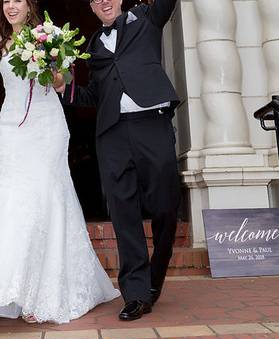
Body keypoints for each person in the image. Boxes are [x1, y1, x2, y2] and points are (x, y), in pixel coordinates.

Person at [0, 0, 120, 331]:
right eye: (6, 1)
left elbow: (62, 81)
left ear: (29, 5)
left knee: (44, 206)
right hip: (12, 131)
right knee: (5, 204)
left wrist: (51, 59)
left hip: (47, 130)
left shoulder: (49, 38)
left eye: (17, 0)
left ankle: (36, 294)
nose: (10, 6)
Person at [54, 0, 181, 321]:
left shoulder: (147, 17)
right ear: (92, 8)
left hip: (151, 122)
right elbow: (94, 95)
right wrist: (63, 88)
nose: (103, 2)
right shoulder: (94, 44)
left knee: (165, 205)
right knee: (123, 211)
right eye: (95, 0)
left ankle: (155, 277)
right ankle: (136, 293)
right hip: (111, 133)